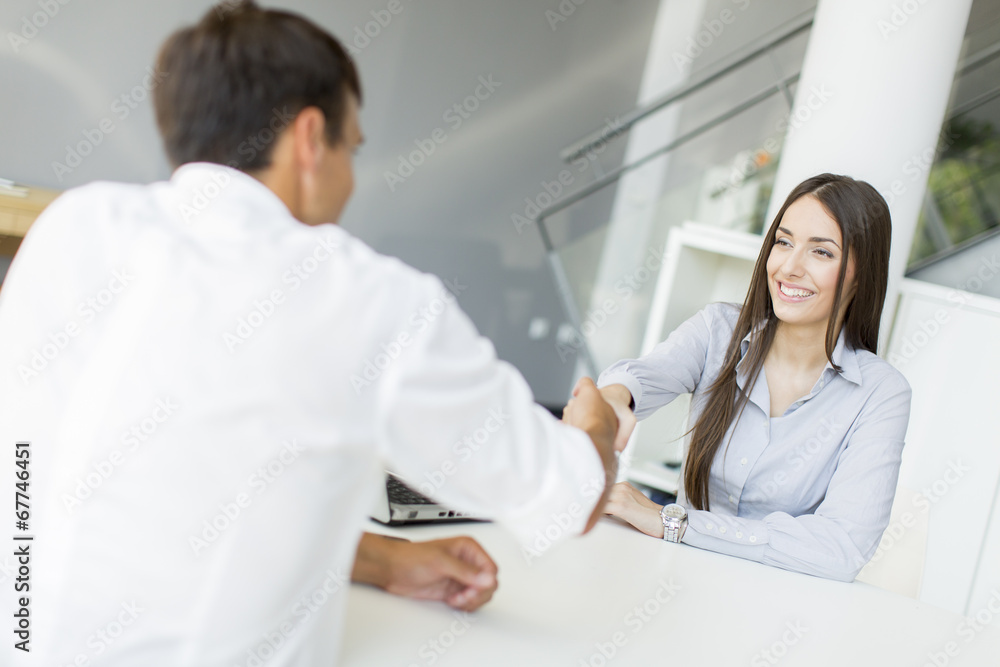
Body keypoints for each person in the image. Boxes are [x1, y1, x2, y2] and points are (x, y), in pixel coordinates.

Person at [0, 2, 620, 664]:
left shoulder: (74, 226)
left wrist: (380, 559)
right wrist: (597, 424)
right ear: (309, 138)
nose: (350, 178)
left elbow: (149, 491)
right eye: (352, 148)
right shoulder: (365, 297)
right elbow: (569, 497)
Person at [596, 173, 912, 582]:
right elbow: (641, 378)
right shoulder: (718, 331)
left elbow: (841, 548)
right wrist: (614, 399)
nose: (789, 268)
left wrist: (677, 524)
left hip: (781, 605)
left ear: (861, 273)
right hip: (673, 582)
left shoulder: (881, 393)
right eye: (783, 242)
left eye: (821, 252)